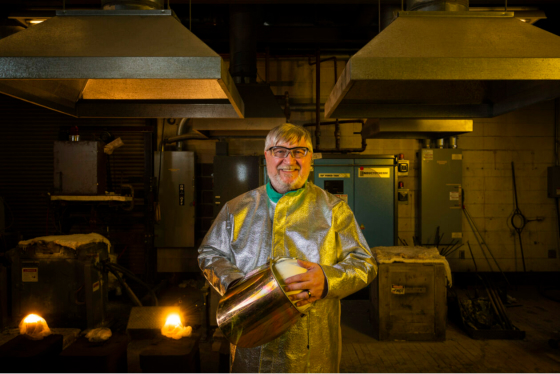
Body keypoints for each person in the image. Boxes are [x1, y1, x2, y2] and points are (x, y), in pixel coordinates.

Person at [198, 123, 376, 373]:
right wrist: (238, 285)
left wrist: (327, 280)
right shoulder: (237, 209)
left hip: (312, 347)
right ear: (267, 156)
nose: (289, 160)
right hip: (252, 338)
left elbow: (364, 263)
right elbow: (209, 253)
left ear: (310, 157)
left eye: (299, 151)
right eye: (279, 151)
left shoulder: (334, 210)